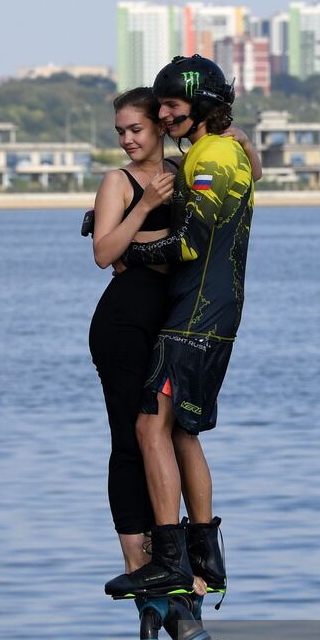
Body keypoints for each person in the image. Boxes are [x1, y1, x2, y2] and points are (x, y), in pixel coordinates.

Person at [104, 56, 257, 603]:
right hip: (212, 314)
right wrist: (243, 141)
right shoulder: (215, 153)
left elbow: (190, 241)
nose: (165, 115)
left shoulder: (208, 157)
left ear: (202, 105)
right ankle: (206, 557)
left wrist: (128, 250)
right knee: (181, 431)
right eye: (161, 107)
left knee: (150, 428)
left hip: (195, 316)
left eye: (172, 106)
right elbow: (245, 181)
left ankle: (168, 561)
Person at [88, 88, 183, 581]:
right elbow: (104, 253)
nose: (127, 139)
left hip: (169, 322)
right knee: (129, 437)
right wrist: (144, 207)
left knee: (166, 435)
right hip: (122, 323)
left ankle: (168, 549)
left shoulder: (181, 172)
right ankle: (134, 557)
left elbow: (249, 177)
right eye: (120, 132)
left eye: (136, 129)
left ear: (161, 126)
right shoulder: (118, 182)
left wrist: (245, 143)